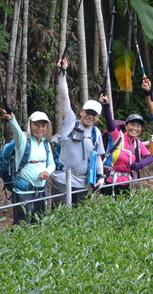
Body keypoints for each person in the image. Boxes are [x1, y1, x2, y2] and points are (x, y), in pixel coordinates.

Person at [52, 58, 105, 205]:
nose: (90, 116)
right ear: (81, 112)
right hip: (62, 179)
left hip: (83, 183)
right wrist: (62, 73)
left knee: (79, 220)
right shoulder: (70, 123)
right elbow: (64, 97)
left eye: (93, 114)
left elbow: (98, 156)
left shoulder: (96, 133)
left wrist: (100, 176)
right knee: (59, 216)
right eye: (87, 112)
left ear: (98, 117)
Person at [0, 108, 54, 224]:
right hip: (23, 193)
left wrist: (47, 172)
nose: (40, 128)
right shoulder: (23, 141)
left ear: (47, 127)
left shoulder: (45, 143)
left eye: (43, 125)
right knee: (22, 226)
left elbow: (51, 163)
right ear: (30, 125)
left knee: (40, 224)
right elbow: (17, 132)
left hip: (41, 192)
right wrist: (12, 119)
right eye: (36, 125)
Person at [100, 95, 153, 195]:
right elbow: (110, 125)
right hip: (110, 181)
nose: (135, 128)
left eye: (138, 126)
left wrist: (140, 165)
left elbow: (149, 157)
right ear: (126, 126)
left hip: (127, 182)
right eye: (132, 125)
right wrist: (106, 106)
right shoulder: (118, 136)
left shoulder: (137, 143)